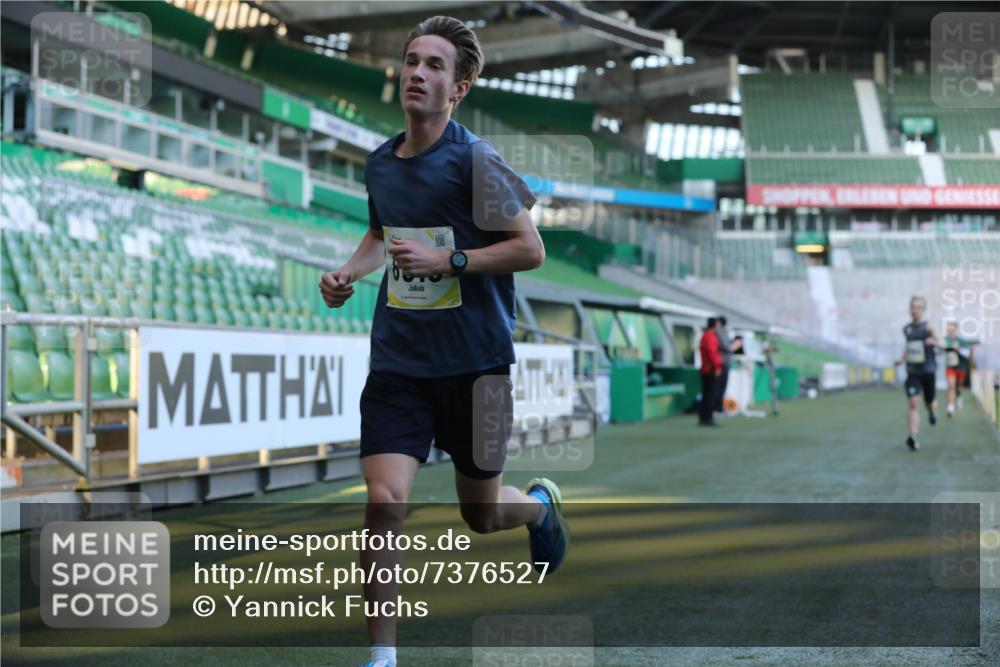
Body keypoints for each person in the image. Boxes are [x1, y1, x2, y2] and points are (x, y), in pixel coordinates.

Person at [317, 17, 568, 667]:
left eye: (433, 65)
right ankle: (383, 657)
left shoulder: (477, 159)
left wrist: (449, 262)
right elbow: (381, 234)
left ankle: (538, 510)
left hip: (476, 363)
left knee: (480, 515)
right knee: (382, 501)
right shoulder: (379, 162)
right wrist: (349, 270)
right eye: (411, 61)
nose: (417, 73)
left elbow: (530, 249)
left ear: (457, 89)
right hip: (399, 359)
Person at [896, 296, 940, 451]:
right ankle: (913, 437)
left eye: (919, 307)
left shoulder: (929, 327)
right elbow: (909, 347)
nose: (916, 310)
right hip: (913, 372)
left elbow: (941, 344)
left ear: (923, 309)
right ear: (910, 308)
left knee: (929, 402)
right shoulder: (906, 328)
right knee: (913, 402)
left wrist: (934, 342)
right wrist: (901, 359)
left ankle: (932, 411)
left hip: (928, 371)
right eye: (913, 306)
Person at [942, 321, 973, 417]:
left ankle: (959, 396)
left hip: (961, 367)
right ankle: (950, 408)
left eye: (952, 329)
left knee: (958, 386)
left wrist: (958, 349)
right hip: (950, 367)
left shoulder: (962, 340)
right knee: (951, 385)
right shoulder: (944, 340)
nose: (950, 331)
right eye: (948, 329)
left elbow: (967, 354)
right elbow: (939, 351)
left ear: (956, 330)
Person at [698, 317, 722, 426]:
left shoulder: (705, 335)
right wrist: (717, 367)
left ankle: (704, 417)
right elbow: (712, 353)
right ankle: (708, 418)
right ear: (715, 325)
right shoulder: (710, 336)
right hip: (710, 369)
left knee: (706, 394)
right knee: (710, 395)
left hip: (706, 368)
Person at [714, 315, 732, 413]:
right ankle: (718, 407)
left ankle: (719, 406)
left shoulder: (723, 332)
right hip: (721, 363)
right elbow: (727, 347)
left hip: (724, 362)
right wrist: (733, 346)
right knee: (720, 386)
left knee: (722, 386)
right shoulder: (719, 333)